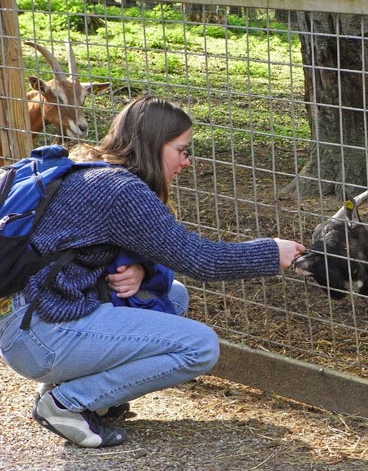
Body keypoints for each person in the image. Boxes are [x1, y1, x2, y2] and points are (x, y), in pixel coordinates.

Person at [0, 95, 305, 448]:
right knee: (200, 347)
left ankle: (71, 388)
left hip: (26, 321)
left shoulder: (90, 166)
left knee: (171, 295)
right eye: (182, 149)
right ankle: (66, 403)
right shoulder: (121, 191)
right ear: (155, 144)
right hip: (38, 338)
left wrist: (143, 273)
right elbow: (199, 260)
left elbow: (85, 251)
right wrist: (271, 252)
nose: (187, 162)